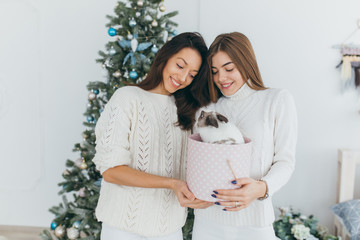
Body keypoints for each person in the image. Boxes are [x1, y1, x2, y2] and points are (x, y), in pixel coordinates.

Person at [92, 32, 212, 240]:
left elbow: (196, 168)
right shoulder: (127, 98)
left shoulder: (189, 112)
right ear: (165, 58)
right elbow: (111, 170)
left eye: (192, 74)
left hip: (170, 229)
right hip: (123, 229)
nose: (183, 78)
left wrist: (205, 195)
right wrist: (171, 183)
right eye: (180, 66)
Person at [192, 32, 298, 240]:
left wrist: (261, 188)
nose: (221, 78)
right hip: (207, 223)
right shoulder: (206, 111)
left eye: (229, 68)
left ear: (246, 62)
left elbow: (285, 162)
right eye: (214, 71)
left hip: (255, 224)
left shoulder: (276, 100)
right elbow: (198, 163)